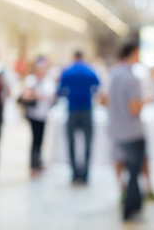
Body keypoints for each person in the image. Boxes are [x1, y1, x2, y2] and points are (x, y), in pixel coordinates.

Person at [108, 41, 147, 221]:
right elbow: (134, 109)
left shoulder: (114, 75)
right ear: (133, 53)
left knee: (127, 168)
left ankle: (137, 203)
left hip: (117, 129)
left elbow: (104, 99)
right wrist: (146, 101)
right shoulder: (132, 78)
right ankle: (129, 209)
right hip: (132, 131)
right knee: (134, 170)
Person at [58, 51, 100, 184]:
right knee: (88, 141)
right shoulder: (89, 70)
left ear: (74, 57)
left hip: (73, 109)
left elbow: (60, 91)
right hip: (87, 109)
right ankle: (85, 173)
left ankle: (75, 173)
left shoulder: (68, 71)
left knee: (71, 141)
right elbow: (97, 86)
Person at [22, 56, 56, 178]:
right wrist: (37, 95)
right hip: (33, 114)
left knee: (41, 139)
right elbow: (25, 96)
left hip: (44, 113)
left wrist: (46, 98)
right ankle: (33, 165)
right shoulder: (31, 80)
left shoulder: (48, 80)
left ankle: (39, 162)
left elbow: (52, 96)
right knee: (35, 139)